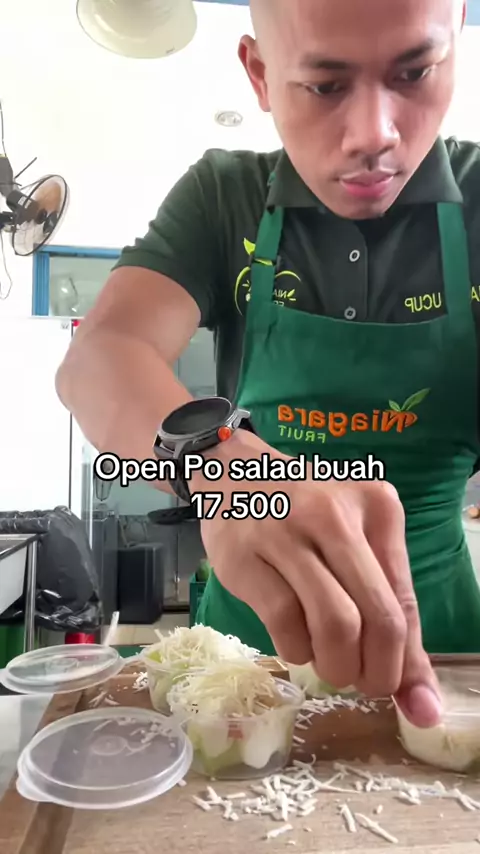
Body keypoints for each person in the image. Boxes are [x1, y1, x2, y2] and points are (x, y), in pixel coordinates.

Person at [56, 0, 479, 729]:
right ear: (259, 73)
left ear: (458, 44)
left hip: (443, 652)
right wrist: (224, 468)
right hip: (245, 656)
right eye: (325, 85)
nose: (374, 134)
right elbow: (100, 354)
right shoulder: (225, 198)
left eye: (414, 73)